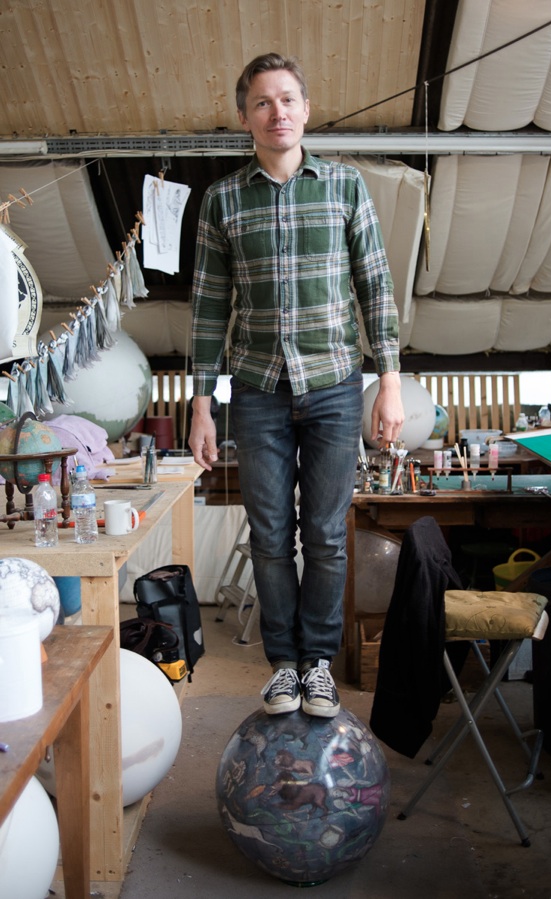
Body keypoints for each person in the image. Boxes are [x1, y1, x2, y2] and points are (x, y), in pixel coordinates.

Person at [189, 52, 404, 718]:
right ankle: (284, 666)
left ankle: (319, 666)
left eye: (287, 99)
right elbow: (208, 308)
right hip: (257, 390)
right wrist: (201, 405)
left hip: (334, 384)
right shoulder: (223, 200)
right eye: (262, 101)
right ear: (244, 117)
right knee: (270, 535)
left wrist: (390, 382)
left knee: (328, 536)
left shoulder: (344, 187)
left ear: (306, 110)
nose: (276, 112)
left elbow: (376, 286)